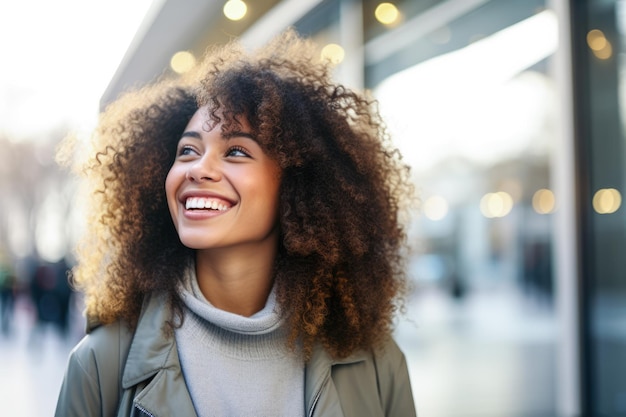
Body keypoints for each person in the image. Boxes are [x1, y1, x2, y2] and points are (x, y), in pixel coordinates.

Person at [55, 29, 416, 417]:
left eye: (237, 151)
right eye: (188, 150)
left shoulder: (377, 364)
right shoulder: (101, 365)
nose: (199, 169)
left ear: (298, 184)